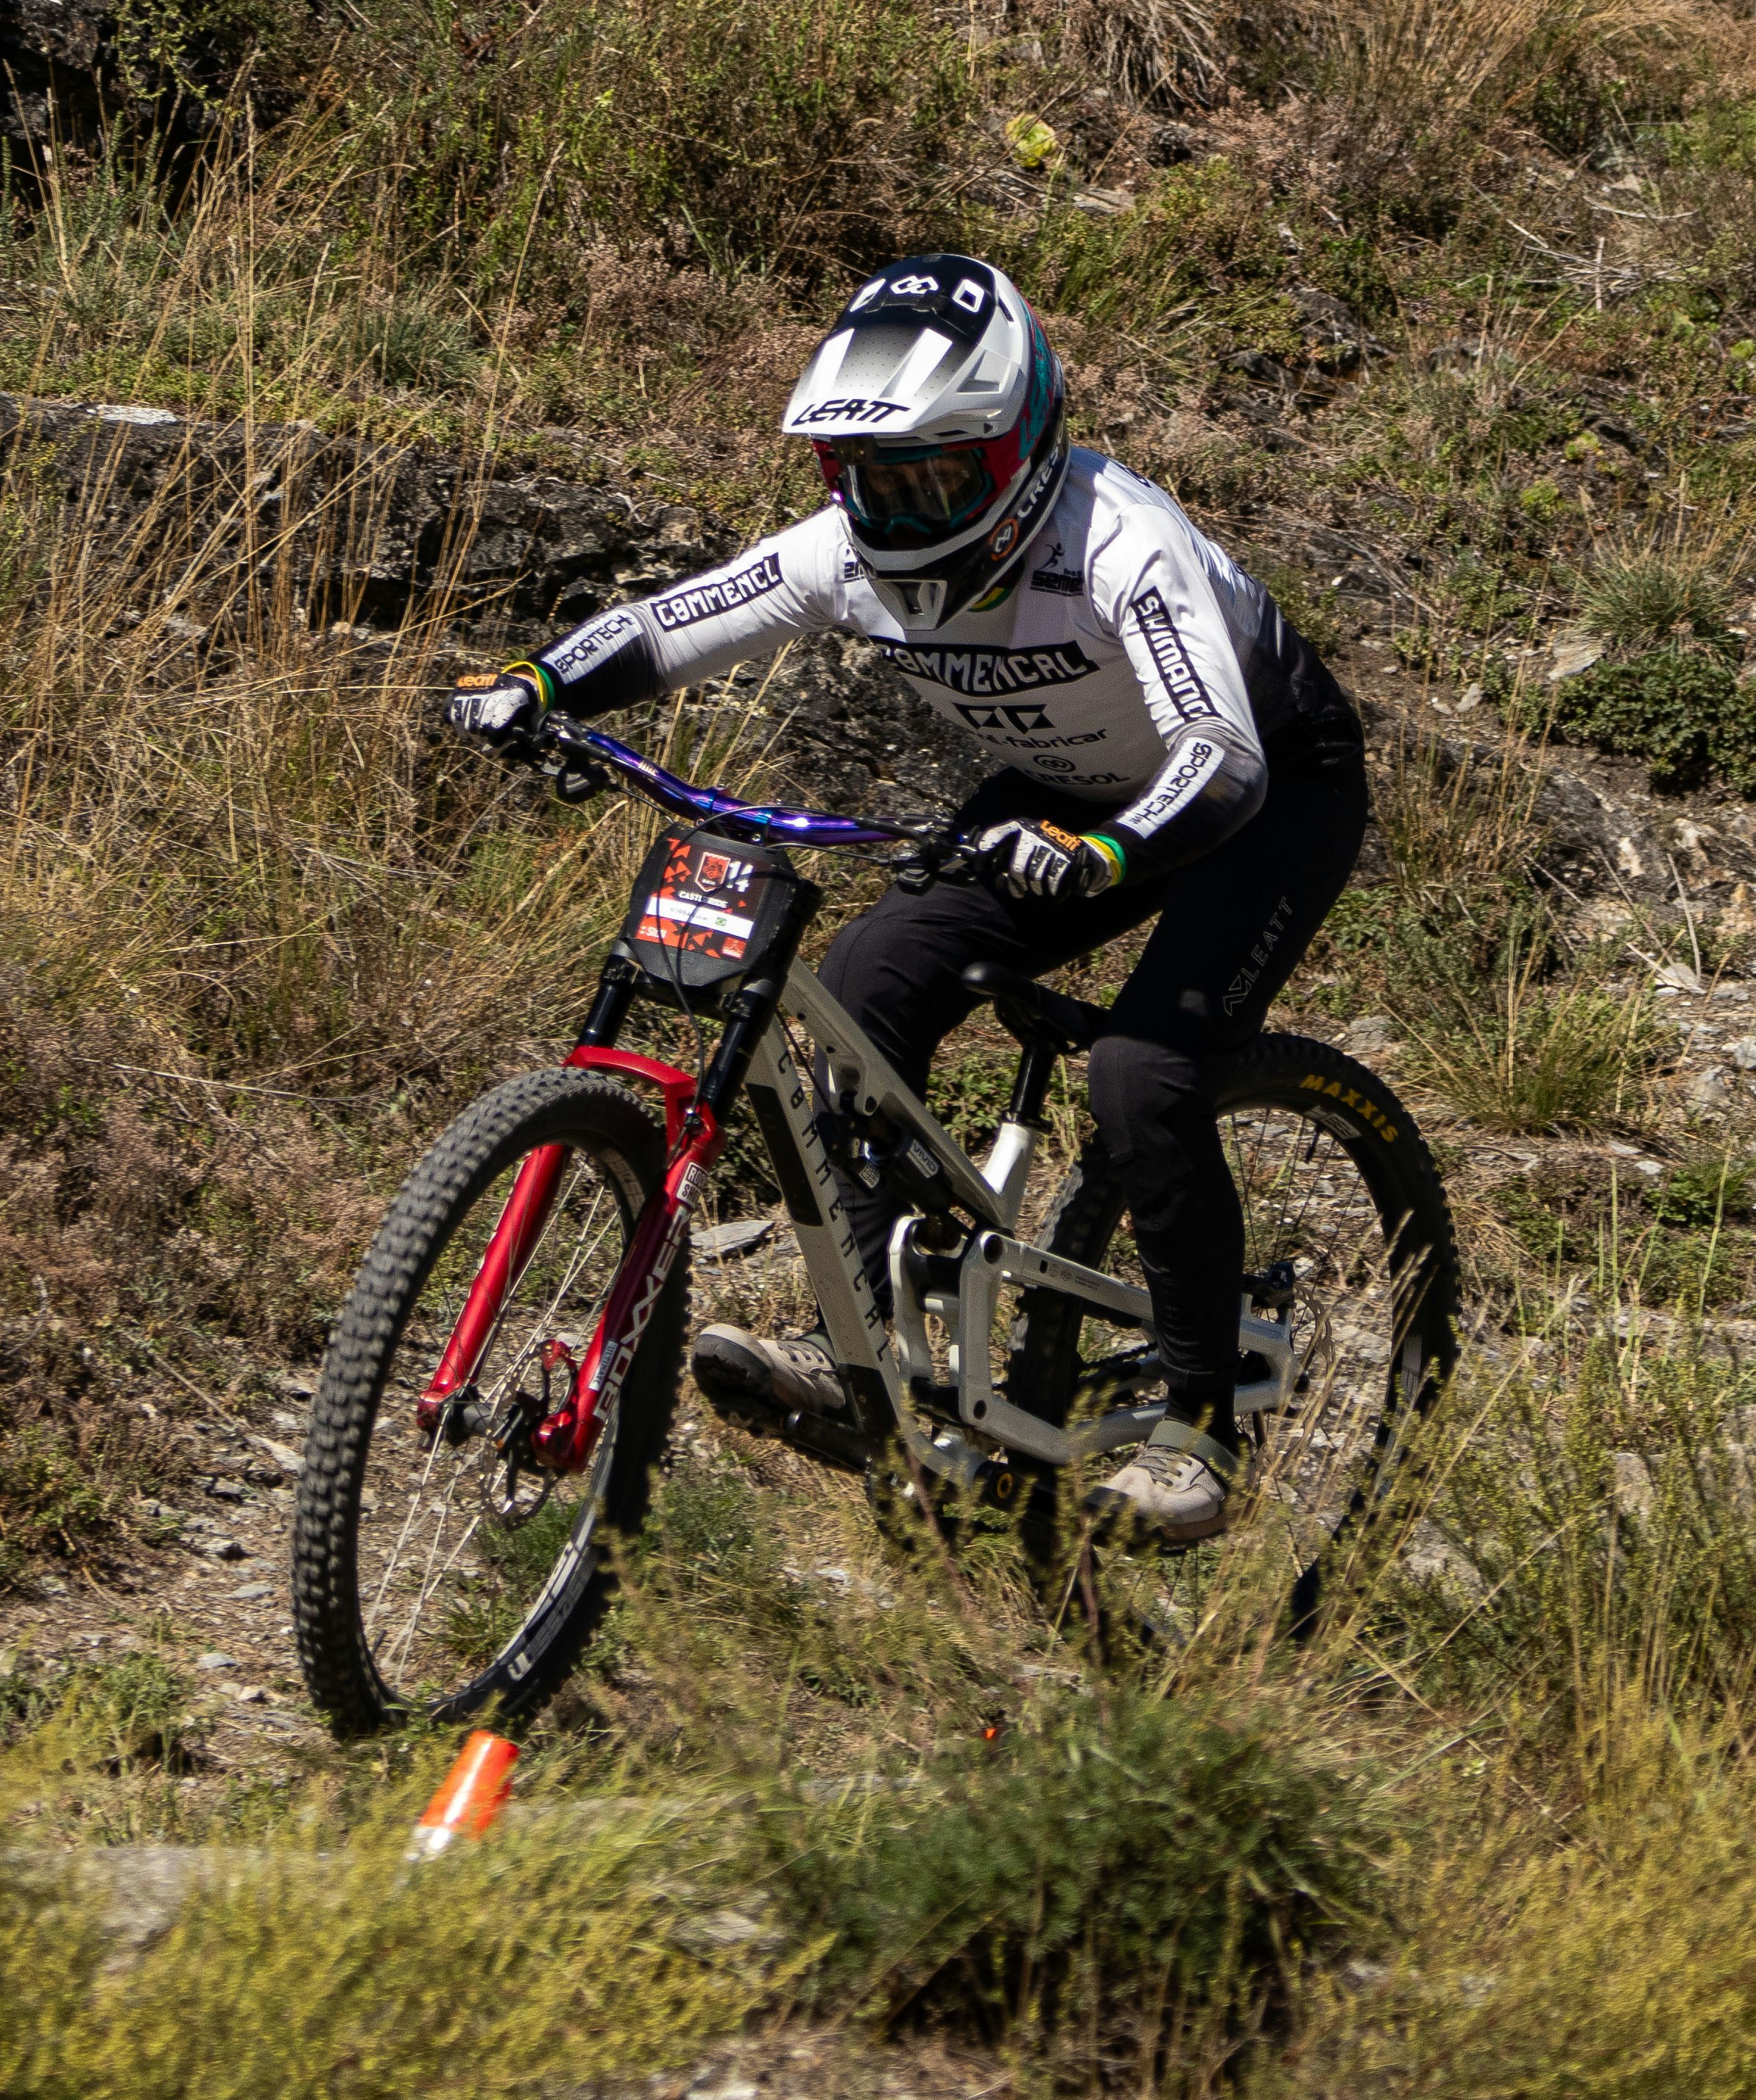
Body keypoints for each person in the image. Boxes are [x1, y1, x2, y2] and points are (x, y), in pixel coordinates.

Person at [440, 253, 1367, 1548]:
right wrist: (537, 686)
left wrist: (1107, 858)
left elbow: (1221, 758)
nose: (898, 505)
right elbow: (670, 626)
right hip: (1063, 791)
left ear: (1021, 446)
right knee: (862, 1001)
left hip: (1254, 792)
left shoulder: (1114, 540)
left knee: (1140, 1076)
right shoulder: (843, 553)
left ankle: (1202, 1423)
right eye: (869, 477)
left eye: (933, 475)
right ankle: (877, 1364)